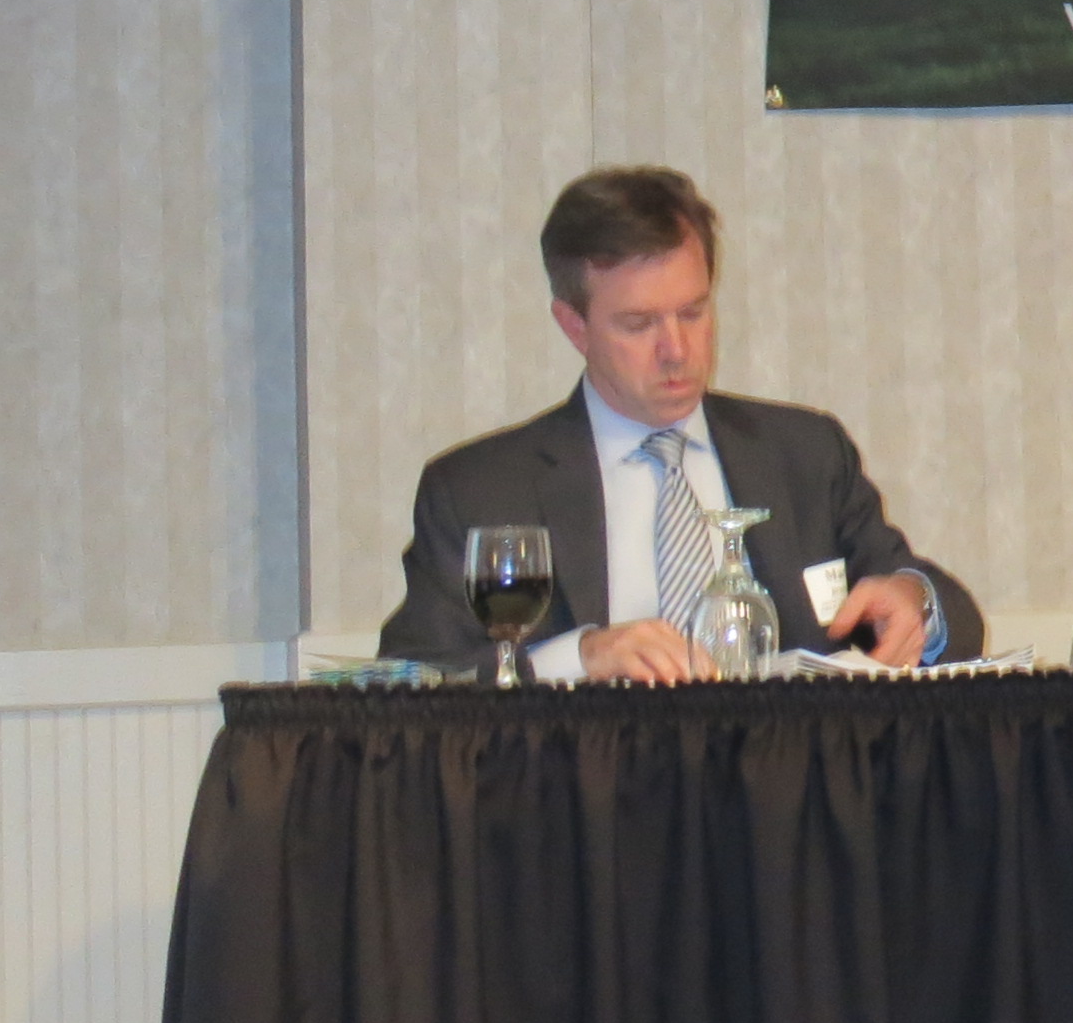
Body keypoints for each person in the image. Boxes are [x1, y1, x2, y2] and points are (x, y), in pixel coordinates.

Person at [381, 165, 982, 682]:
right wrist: (580, 658)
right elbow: (419, 673)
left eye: (693, 313)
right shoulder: (480, 489)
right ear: (573, 326)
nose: (676, 350)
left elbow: (938, 605)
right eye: (639, 324)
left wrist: (917, 605)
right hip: (586, 777)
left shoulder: (804, 453)